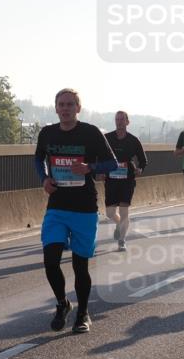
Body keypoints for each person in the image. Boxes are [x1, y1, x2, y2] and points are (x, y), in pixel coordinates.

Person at [35, 88, 117, 333]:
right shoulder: (47, 133)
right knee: (51, 261)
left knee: (80, 266)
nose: (65, 108)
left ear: (78, 108)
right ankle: (63, 303)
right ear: (56, 108)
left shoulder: (90, 133)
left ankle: (82, 313)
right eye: (61, 104)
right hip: (57, 207)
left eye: (70, 104)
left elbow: (112, 163)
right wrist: (44, 179)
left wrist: (90, 167)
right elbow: (38, 158)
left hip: (84, 208)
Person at [104, 111, 148, 251]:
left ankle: (122, 240)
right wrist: (98, 170)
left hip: (127, 179)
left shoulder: (133, 140)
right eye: (117, 119)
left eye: (122, 119)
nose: (119, 122)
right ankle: (119, 224)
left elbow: (143, 160)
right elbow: (97, 154)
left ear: (127, 122)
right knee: (110, 213)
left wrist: (140, 168)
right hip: (111, 179)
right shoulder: (107, 138)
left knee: (124, 210)